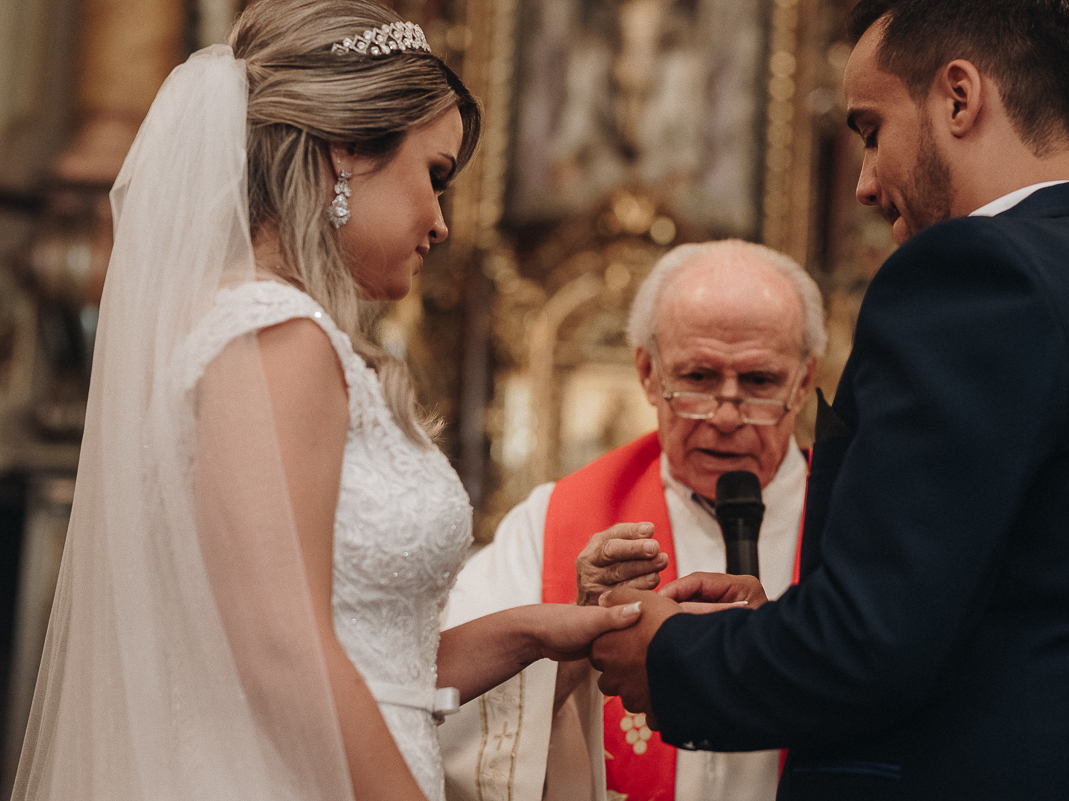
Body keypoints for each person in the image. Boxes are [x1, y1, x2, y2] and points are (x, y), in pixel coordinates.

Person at [10, 3, 643, 800]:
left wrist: (536, 631)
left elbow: (366, 661)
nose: (440, 222)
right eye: (435, 176)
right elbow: (282, 656)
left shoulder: (259, 325)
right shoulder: (275, 334)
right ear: (346, 152)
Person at [590, 0, 1069, 799]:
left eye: (871, 130)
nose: (866, 183)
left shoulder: (971, 274)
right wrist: (775, 623)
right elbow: (1020, 607)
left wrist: (670, 655)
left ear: (958, 97)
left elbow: (871, 644)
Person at [439, 239, 825, 801]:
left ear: (805, 379)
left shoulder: (853, 525)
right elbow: (447, 714)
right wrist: (572, 641)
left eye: (760, 382)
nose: (724, 414)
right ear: (647, 372)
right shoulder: (554, 521)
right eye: (697, 377)